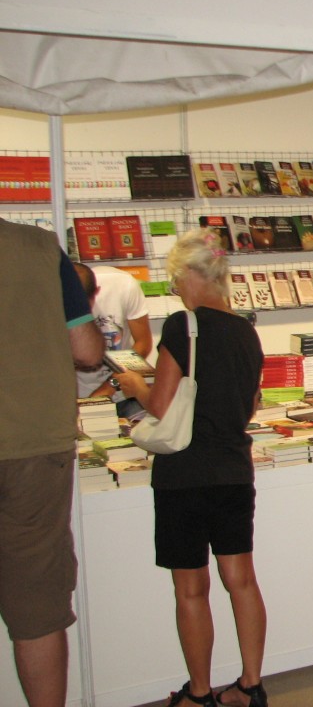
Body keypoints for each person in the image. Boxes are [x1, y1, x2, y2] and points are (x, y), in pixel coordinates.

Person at [116, 229, 267, 707]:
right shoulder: (246, 330)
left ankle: (199, 693)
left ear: (190, 275)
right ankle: (251, 685)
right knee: (242, 580)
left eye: (176, 280)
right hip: (233, 469)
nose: (176, 289)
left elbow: (161, 405)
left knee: (191, 589)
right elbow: (250, 404)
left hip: (184, 474)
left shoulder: (184, 326)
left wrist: (135, 385)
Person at [0, 219, 104, 707]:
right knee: (38, 607)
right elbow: (87, 351)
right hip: (33, 447)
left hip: (33, 446)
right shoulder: (39, 248)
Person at [73, 263, 153, 417]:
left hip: (124, 393)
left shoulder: (123, 285)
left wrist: (109, 387)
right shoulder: (48, 299)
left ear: (97, 292)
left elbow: (143, 343)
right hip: (78, 397)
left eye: (84, 306)